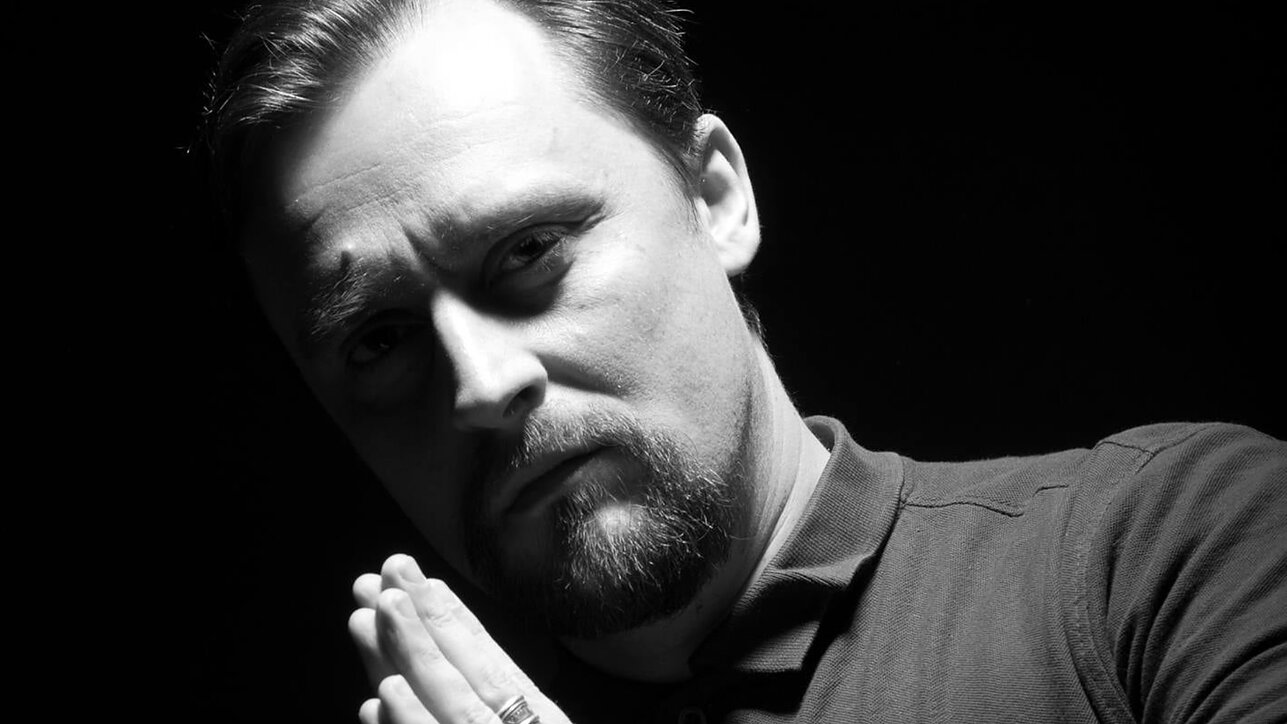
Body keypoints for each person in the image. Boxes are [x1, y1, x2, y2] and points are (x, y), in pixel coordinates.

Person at [203, 0, 1286, 721]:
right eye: (380, 338)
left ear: (716, 197)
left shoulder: (1170, 548)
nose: (482, 385)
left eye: (528, 250)